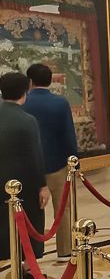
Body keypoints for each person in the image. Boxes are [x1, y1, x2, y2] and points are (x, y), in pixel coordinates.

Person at [24, 62, 78, 261]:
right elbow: (68, 136)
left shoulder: (24, 103)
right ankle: (65, 250)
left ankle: (32, 251)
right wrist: (75, 162)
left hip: (31, 168)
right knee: (63, 209)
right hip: (58, 165)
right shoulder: (60, 103)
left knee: (30, 212)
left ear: (30, 81)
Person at [0, 72, 50, 279]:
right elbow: (34, 156)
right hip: (24, 184)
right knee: (29, 223)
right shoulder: (27, 120)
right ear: (25, 90)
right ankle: (28, 268)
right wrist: (42, 186)